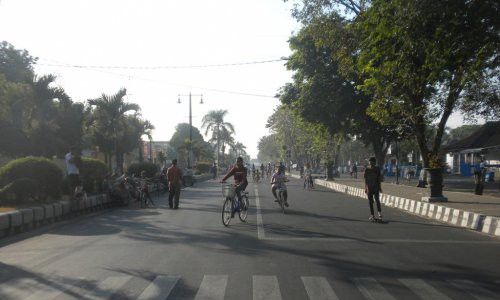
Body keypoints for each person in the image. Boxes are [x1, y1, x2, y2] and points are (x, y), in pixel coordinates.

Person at [364, 157, 383, 221]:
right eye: (370, 162)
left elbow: (379, 179)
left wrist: (380, 187)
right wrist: (366, 188)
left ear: (374, 162)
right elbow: (366, 180)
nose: (370, 163)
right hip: (369, 188)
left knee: (377, 200)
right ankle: (372, 215)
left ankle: (379, 214)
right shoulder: (367, 169)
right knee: (370, 202)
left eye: (372, 162)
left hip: (376, 187)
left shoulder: (377, 169)